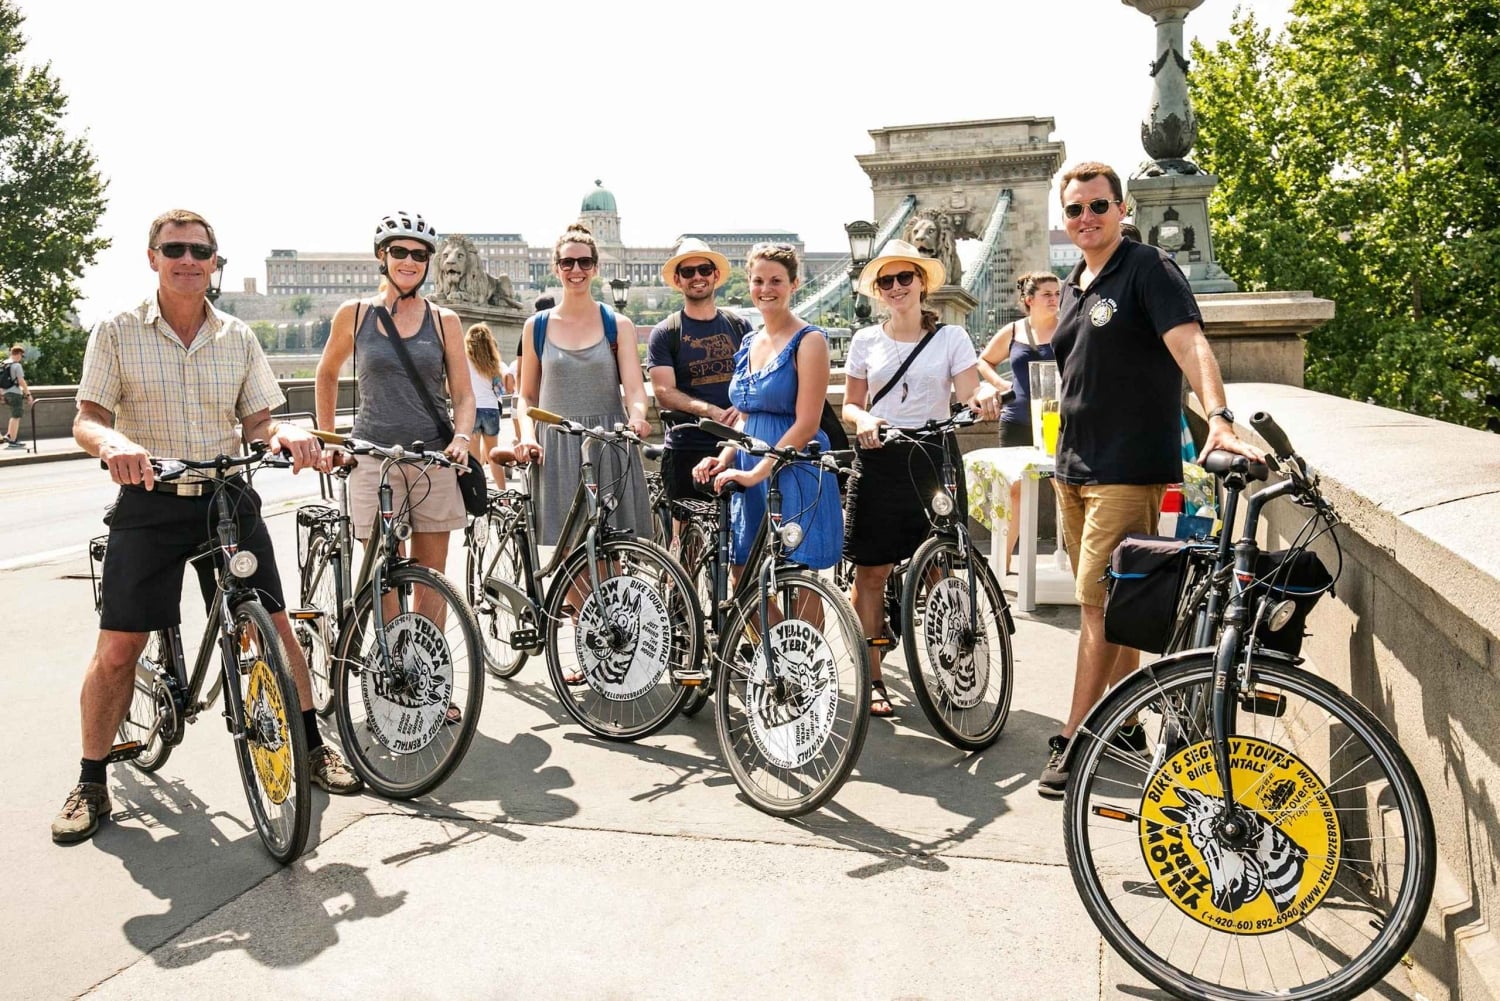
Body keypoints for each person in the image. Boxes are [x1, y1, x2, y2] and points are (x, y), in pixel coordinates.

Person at [53, 209, 362, 845]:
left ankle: (309, 746)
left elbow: (259, 423)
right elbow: (87, 418)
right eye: (175, 250)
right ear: (153, 258)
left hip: (227, 496)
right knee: (119, 648)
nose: (188, 261)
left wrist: (286, 436)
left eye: (200, 251)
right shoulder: (117, 331)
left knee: (275, 627)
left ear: (215, 261)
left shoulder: (237, 336)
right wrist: (113, 444)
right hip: (152, 500)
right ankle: (90, 781)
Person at [1037, 162, 1261, 798]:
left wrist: (1219, 417)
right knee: (1117, 603)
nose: (1086, 218)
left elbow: (1190, 345)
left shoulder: (1148, 268)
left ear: (1122, 208)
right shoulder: (1073, 285)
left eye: (1097, 206)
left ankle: (1078, 736)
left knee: (1095, 606)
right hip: (1073, 467)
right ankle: (1129, 722)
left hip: (1125, 467)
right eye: (1075, 209)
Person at [314, 211, 476, 683]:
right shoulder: (355, 314)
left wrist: (462, 438)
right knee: (382, 576)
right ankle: (392, 674)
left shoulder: (444, 321)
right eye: (399, 252)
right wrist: (329, 440)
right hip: (371, 457)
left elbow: (464, 395)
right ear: (382, 257)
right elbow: (326, 373)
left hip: (432, 460)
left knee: (432, 579)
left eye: (419, 255)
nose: (409, 261)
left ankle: (429, 681)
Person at [841, 240, 1001, 717]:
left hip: (933, 456)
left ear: (922, 283)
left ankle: (953, 669)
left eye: (904, 277)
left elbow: (968, 391)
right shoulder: (865, 341)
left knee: (939, 568)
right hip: (880, 455)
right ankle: (872, 677)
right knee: (872, 572)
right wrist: (864, 419)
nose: (896, 287)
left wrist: (982, 398)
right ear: (878, 290)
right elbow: (850, 405)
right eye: (886, 281)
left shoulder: (952, 338)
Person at [693, 242, 842, 573]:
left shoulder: (810, 340)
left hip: (794, 466)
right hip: (750, 465)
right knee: (742, 572)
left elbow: (807, 423)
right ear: (749, 283)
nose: (766, 289)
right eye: (758, 281)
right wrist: (724, 458)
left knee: (799, 576)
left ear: (794, 284)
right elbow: (745, 417)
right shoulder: (749, 342)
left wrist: (756, 473)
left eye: (776, 281)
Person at [512, 224, 652, 548]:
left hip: (608, 443)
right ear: (556, 268)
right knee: (567, 553)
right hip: (555, 446)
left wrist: (638, 417)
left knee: (612, 549)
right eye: (567, 262)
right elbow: (526, 396)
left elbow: (634, 388)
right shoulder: (536, 326)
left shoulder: (618, 325)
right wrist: (528, 436)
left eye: (584, 262)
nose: (576, 270)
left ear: (596, 268)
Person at [646, 238, 745, 538]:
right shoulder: (666, 332)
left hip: (736, 442)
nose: (697, 277)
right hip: (687, 444)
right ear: (678, 280)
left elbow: (754, 378)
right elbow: (664, 391)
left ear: (716, 275)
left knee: (740, 535)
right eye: (688, 272)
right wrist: (710, 410)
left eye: (704, 269)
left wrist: (739, 408)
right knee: (685, 537)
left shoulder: (739, 326)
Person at [976, 271, 1061, 574]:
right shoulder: (1013, 331)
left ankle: (1079, 563)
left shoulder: (1068, 328)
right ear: (1029, 300)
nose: (1054, 299)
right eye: (1047, 294)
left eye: (1057, 293)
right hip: (1016, 420)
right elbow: (983, 361)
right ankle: (1003, 564)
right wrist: (1001, 385)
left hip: (1057, 421)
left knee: (1065, 490)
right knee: (1014, 491)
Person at [464, 322, 507, 489]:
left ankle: (480, 495)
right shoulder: (493, 361)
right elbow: (500, 390)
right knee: (493, 455)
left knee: (475, 460)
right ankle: (503, 495)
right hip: (491, 408)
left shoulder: (463, 360)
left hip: (472, 409)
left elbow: (448, 387)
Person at [2, 344, 32, 448]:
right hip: (15, 393)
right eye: (21, 356)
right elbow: (21, 381)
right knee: (16, 416)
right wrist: (28, 394)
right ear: (19, 354)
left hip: (5, 393)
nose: (21, 358)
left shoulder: (3, 364)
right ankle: (13, 441)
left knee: (13, 415)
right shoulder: (16, 365)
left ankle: (9, 435)